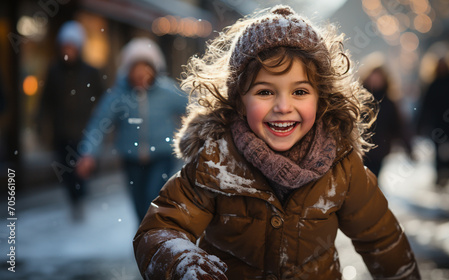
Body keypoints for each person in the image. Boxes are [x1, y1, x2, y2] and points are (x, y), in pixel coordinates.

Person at [133, 6, 420, 280]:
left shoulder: (341, 166)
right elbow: (159, 229)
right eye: (265, 91)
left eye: (299, 91)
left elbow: (381, 239)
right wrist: (179, 261)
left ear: (321, 99)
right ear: (239, 99)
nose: (283, 106)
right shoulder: (216, 161)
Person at [76, 37, 187, 222]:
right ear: (127, 70)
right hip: (131, 159)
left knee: (153, 200)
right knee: (139, 207)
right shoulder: (118, 96)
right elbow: (99, 123)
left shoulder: (168, 91)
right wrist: (88, 153)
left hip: (162, 156)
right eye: (135, 68)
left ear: (154, 68)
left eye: (146, 67)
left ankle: (155, 242)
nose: (141, 73)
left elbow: (195, 109)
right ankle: (145, 243)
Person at [38, 20, 104, 221]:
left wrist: (102, 125)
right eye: (65, 46)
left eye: (72, 46)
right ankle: (75, 200)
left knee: (81, 170)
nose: (68, 51)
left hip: (85, 131)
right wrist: (41, 124)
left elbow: (102, 99)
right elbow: (45, 101)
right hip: (61, 131)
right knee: (66, 172)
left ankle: (80, 198)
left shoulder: (90, 72)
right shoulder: (54, 71)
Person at [417, 58, 449, 188]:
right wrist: (421, 122)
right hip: (437, 121)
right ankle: (439, 173)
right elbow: (425, 105)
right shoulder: (433, 84)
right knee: (437, 147)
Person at [363, 66, 413, 176]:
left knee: (373, 179)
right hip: (360, 149)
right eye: (373, 76)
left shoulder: (389, 103)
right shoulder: (359, 100)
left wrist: (408, 147)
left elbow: (398, 126)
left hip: (379, 149)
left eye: (378, 77)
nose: (375, 80)